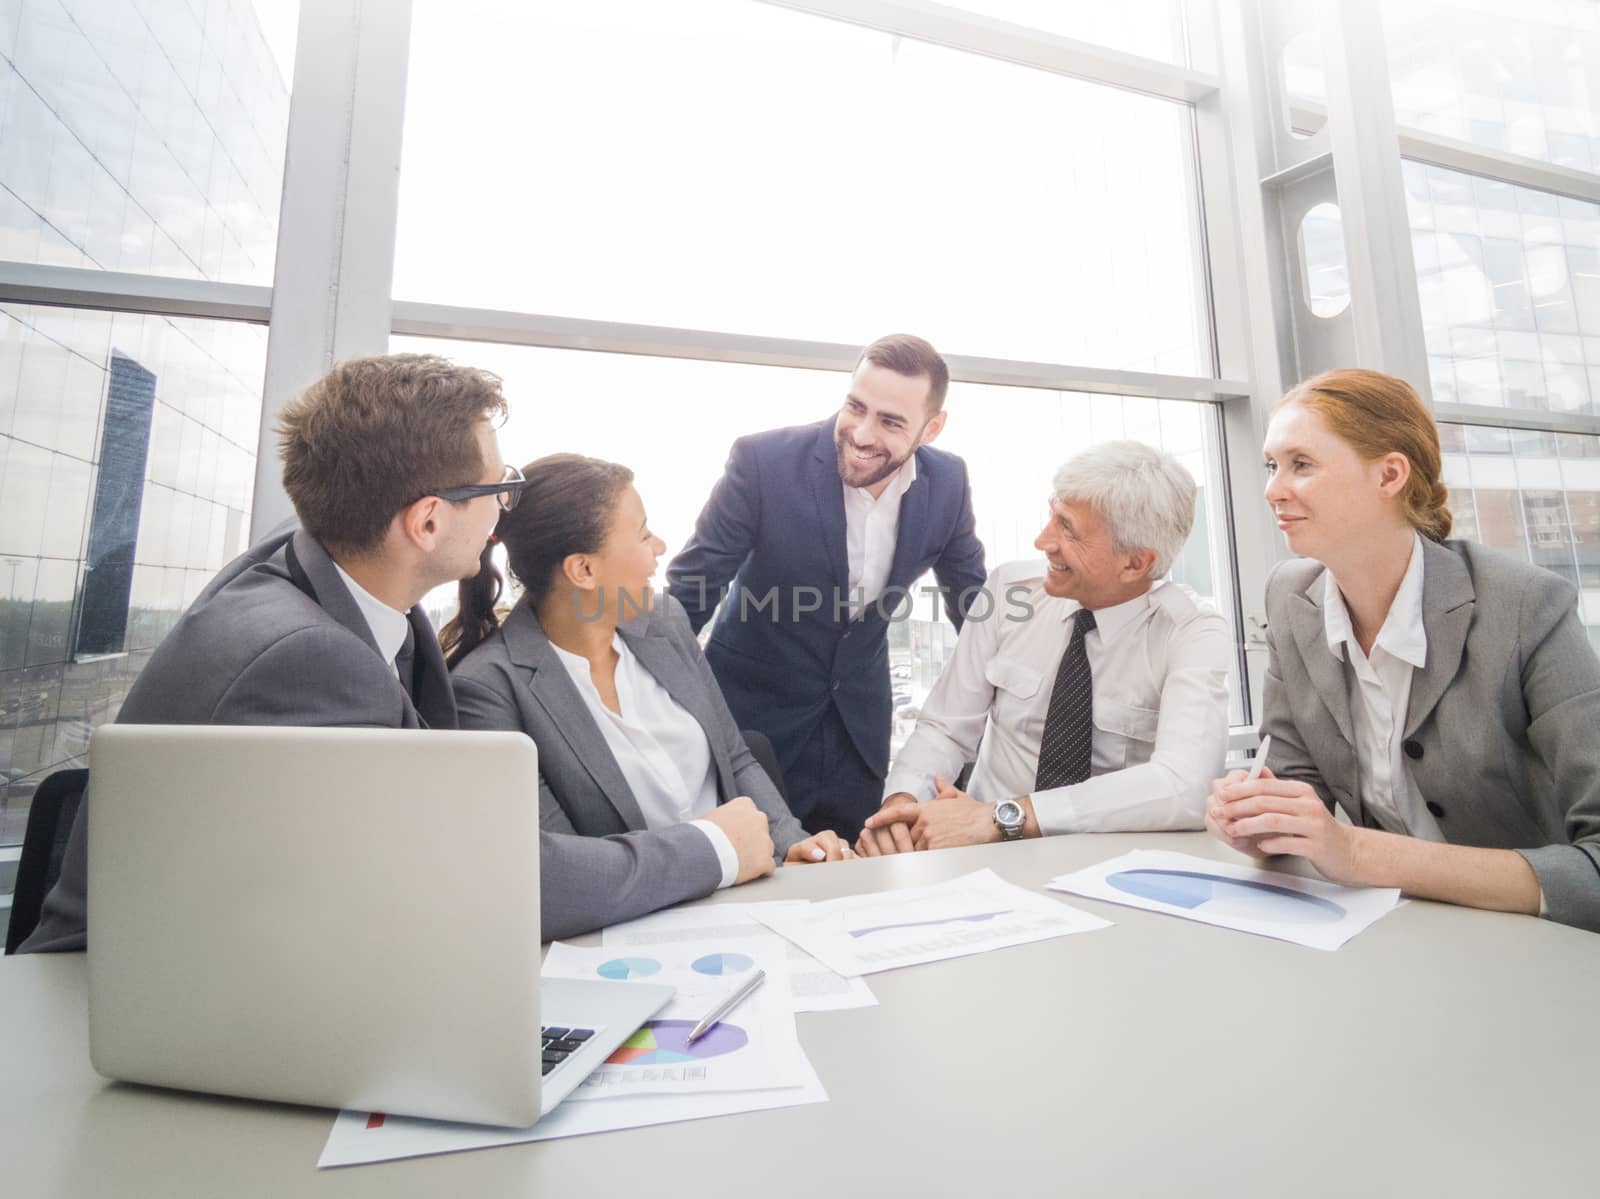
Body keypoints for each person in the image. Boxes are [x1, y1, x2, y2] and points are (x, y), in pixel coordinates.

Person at [21, 355, 775, 952]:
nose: (505, 510)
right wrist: (713, 846)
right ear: (425, 521)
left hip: (255, 950)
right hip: (121, 996)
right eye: (498, 488)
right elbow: (489, 876)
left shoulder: (328, 583)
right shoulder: (306, 658)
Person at [1208, 368, 1600, 933]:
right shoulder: (1291, 597)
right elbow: (1293, 782)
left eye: (1302, 464)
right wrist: (1256, 815)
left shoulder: (1526, 606)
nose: (1273, 489)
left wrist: (1354, 852)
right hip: (1397, 931)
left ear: (1390, 474)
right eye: (1272, 466)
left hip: (1534, 944)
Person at [446, 453, 853, 875]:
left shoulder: (666, 622)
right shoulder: (489, 690)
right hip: (637, 923)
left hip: (750, 892)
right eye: (642, 536)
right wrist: (717, 850)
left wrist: (794, 845)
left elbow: (734, 757)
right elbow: (562, 868)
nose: (659, 547)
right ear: (583, 569)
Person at [666, 333, 987, 840]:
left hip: (858, 733)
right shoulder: (763, 462)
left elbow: (974, 610)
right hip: (751, 728)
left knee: (854, 883)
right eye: (856, 406)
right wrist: (652, 709)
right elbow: (690, 593)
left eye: (890, 421)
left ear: (932, 428)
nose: (861, 433)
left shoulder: (947, 483)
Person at [858, 441, 1231, 855]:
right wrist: (904, 801)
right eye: (1052, 515)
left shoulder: (1192, 631)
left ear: (1135, 563)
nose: (1043, 541)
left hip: (1112, 865)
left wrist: (1004, 817)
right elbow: (946, 729)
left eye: (1067, 528)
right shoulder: (1008, 593)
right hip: (982, 856)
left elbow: (1186, 785)